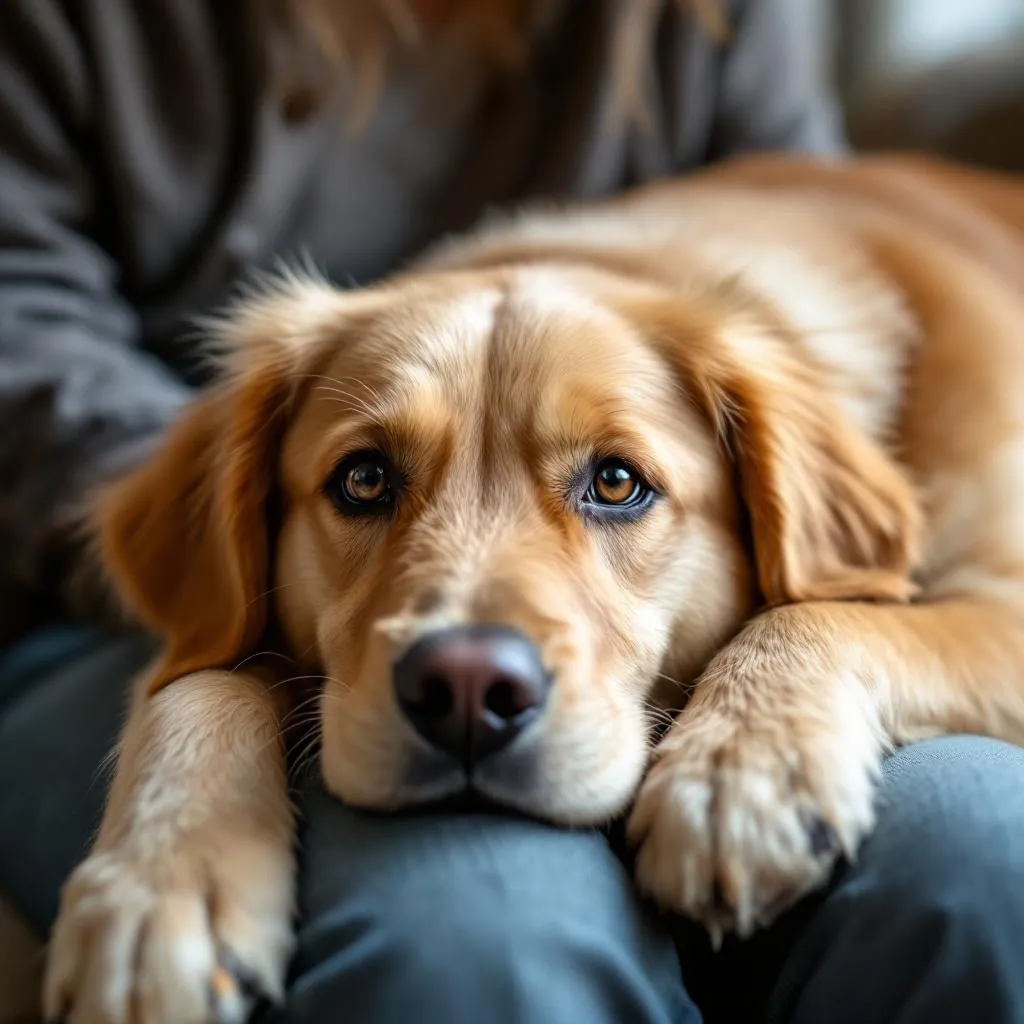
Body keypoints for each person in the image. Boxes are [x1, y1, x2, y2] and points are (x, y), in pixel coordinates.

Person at [1, 1, 1022, 1021]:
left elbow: (780, 196)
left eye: (611, 483)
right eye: (368, 481)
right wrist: (216, 691)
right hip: (74, 592)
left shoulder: (714, 31)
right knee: (482, 934)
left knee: (983, 855)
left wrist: (810, 659)